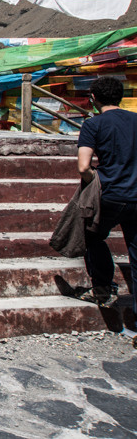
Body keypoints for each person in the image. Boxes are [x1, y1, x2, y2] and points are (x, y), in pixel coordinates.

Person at [77, 77, 137, 312]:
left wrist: (96, 181)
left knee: (92, 236)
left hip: (111, 194)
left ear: (94, 98)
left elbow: (84, 167)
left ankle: (102, 288)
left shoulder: (93, 124)